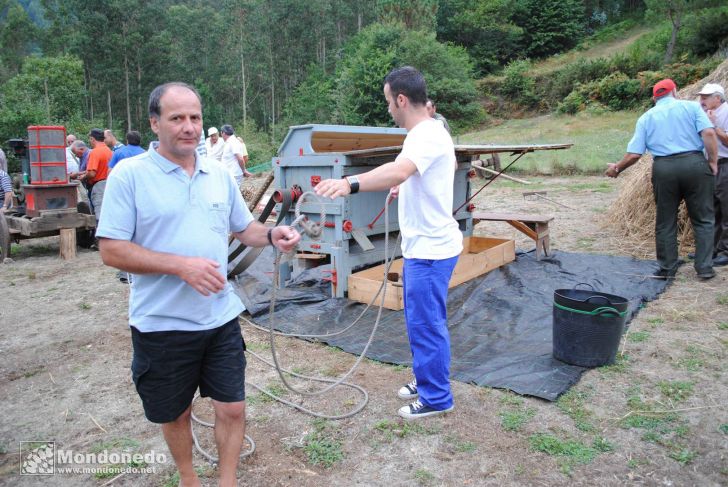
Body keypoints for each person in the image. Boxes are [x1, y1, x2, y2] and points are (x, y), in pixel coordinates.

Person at [96, 82, 301, 487]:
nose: (188, 127)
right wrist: (180, 266)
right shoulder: (130, 176)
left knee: (233, 408)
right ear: (155, 123)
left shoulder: (218, 175)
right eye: (177, 118)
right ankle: (189, 479)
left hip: (219, 316)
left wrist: (273, 235)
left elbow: (244, 228)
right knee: (176, 413)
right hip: (162, 323)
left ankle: (227, 481)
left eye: (195, 117)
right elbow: (111, 250)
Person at [315, 66, 463, 420]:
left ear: (400, 99)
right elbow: (439, 167)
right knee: (420, 321)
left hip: (430, 251)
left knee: (427, 324)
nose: (387, 109)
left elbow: (398, 169)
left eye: (387, 102)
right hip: (423, 248)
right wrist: (410, 183)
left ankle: (437, 397)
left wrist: (350, 183)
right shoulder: (430, 131)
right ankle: (427, 377)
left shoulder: (424, 135)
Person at [606, 78, 718, 280]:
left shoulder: (646, 117)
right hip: (694, 163)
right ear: (675, 91)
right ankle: (704, 268)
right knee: (703, 219)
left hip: (664, 168)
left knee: (665, 220)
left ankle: (667, 267)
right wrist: (713, 162)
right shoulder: (691, 108)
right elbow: (709, 132)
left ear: (654, 98)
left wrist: (617, 168)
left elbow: (634, 155)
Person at [698, 83, 728, 267]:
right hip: (710, 165)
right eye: (702, 96)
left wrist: (714, 125)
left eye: (706, 96)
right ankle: (713, 249)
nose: (702, 100)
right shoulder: (704, 112)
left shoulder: (726, 112)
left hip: (725, 164)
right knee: (712, 209)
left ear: (718, 98)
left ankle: (725, 250)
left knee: (726, 209)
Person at [84, 128, 113, 224]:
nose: (90, 141)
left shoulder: (95, 152)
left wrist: (84, 177)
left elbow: (92, 173)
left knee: (99, 214)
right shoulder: (109, 150)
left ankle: (100, 237)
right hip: (109, 184)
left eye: (90, 139)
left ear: (92, 139)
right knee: (109, 212)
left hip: (98, 186)